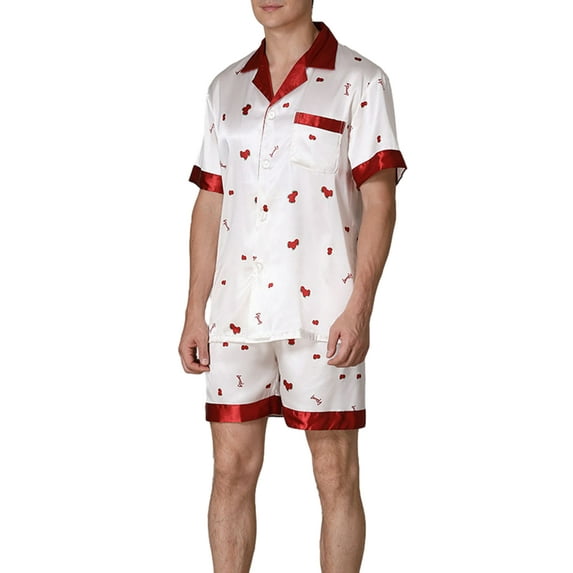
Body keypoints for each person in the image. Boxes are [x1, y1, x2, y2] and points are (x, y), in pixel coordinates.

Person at [179, 1, 407, 571]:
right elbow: (210, 201)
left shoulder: (360, 80)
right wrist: (193, 310)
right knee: (230, 470)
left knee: (334, 473)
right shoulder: (225, 87)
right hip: (235, 311)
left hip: (324, 314)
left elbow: (380, 201)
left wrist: (360, 308)